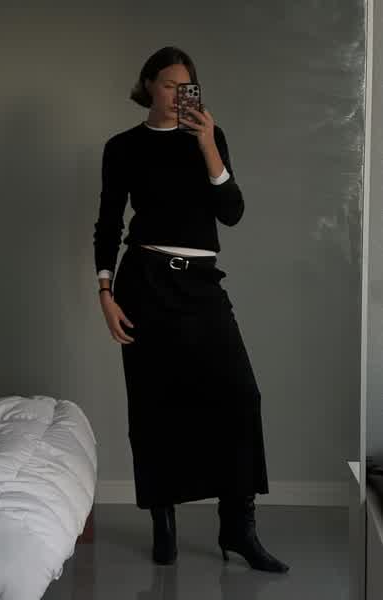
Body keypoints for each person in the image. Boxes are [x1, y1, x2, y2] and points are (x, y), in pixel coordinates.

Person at [93, 46, 289, 573]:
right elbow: (109, 221)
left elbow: (233, 213)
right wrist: (105, 294)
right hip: (145, 282)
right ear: (148, 86)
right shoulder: (123, 147)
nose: (179, 96)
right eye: (168, 85)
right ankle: (164, 521)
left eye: (187, 87)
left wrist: (207, 145)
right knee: (153, 404)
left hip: (201, 284)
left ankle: (238, 527)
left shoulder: (209, 137)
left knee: (240, 395)